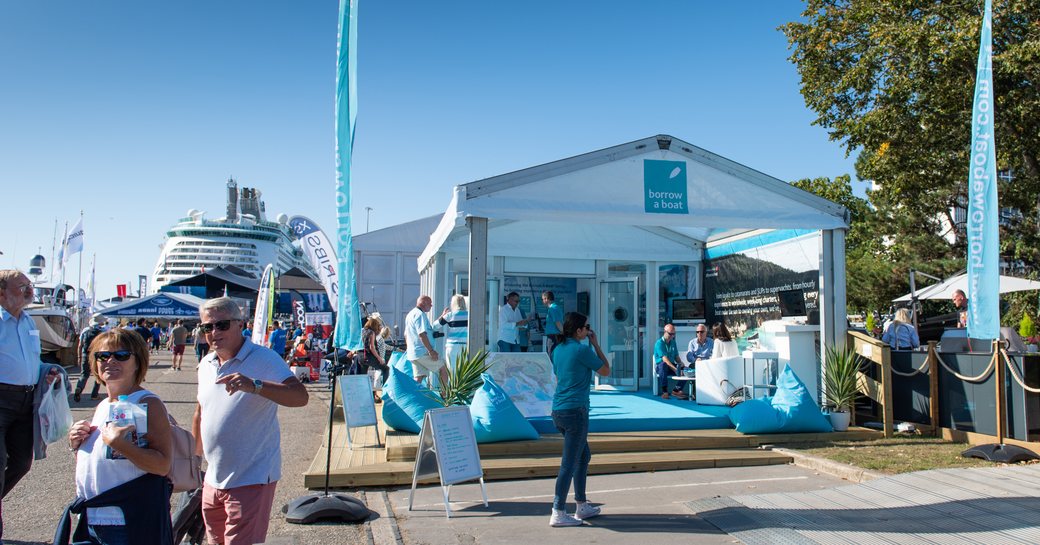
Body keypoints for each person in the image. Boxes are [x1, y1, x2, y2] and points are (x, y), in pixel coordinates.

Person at [191, 297, 308, 545]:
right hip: (213, 477)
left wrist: (254, 385)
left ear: (240, 324)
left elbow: (300, 396)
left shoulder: (262, 358)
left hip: (250, 477)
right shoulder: (206, 364)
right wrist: (193, 458)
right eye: (207, 327)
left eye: (221, 325)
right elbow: (201, 411)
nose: (213, 332)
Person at [67, 328, 174, 544]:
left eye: (121, 355)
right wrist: (77, 445)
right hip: (94, 517)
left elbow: (163, 465)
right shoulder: (104, 405)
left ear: (138, 362)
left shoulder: (146, 403)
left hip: (126, 520)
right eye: (103, 356)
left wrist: (120, 445)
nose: (110, 361)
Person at [549, 312, 610, 527]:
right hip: (576, 412)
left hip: (559, 411)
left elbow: (559, 376)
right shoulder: (582, 349)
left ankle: (581, 505)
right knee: (569, 463)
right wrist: (596, 345)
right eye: (587, 327)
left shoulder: (557, 349)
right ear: (579, 331)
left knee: (583, 456)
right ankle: (558, 510)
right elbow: (606, 370)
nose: (589, 330)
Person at [405, 295, 447, 386]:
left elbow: (406, 334)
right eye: (430, 303)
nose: (431, 306)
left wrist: (442, 317)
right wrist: (431, 351)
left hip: (414, 353)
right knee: (443, 368)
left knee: (418, 378)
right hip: (421, 352)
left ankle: (413, 398)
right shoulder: (420, 315)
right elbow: (422, 334)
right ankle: (445, 396)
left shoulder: (411, 314)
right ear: (423, 303)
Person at [74, 315, 107, 402]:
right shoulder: (103, 331)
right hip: (98, 355)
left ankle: (79, 388)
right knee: (98, 375)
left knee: (84, 375)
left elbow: (80, 345)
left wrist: (79, 357)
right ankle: (94, 394)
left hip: (85, 354)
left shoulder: (85, 331)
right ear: (100, 322)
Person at [436, 294, 468, 372]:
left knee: (451, 370)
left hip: (452, 345)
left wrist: (442, 315)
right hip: (465, 345)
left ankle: (452, 384)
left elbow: (435, 326)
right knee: (463, 370)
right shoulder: (469, 315)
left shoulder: (450, 315)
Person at [654, 324, 686, 399]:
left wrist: (681, 364)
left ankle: (676, 390)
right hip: (661, 367)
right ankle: (665, 392)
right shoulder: (659, 343)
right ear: (664, 332)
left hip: (671, 366)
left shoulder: (673, 342)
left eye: (673, 334)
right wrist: (675, 370)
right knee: (663, 365)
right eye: (670, 334)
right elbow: (665, 359)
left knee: (686, 370)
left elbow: (676, 356)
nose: (672, 336)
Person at [542, 291, 564, 360]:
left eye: (542, 299)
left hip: (553, 337)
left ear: (546, 299)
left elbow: (557, 322)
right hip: (555, 336)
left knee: (551, 358)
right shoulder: (555, 308)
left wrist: (563, 332)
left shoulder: (553, 308)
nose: (542, 301)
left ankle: (553, 371)